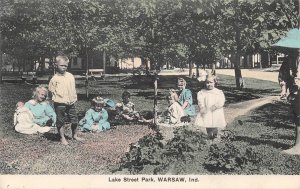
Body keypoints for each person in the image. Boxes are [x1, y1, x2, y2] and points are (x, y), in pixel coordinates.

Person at [48, 55, 84, 145]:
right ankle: (62, 137)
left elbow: (73, 88)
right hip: (59, 103)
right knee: (60, 121)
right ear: (56, 65)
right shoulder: (54, 79)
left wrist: (74, 98)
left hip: (70, 102)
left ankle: (74, 135)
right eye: (61, 65)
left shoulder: (70, 76)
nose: (64, 67)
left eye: (65, 66)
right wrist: (52, 101)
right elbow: (50, 91)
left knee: (75, 119)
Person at [194, 74, 226, 142]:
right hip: (207, 110)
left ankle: (215, 135)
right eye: (207, 82)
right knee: (207, 123)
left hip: (216, 111)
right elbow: (200, 101)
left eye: (211, 82)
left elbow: (222, 101)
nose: (209, 84)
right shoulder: (202, 92)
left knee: (215, 123)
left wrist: (216, 106)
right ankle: (209, 135)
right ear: (205, 83)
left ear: (215, 82)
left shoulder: (218, 92)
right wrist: (202, 107)